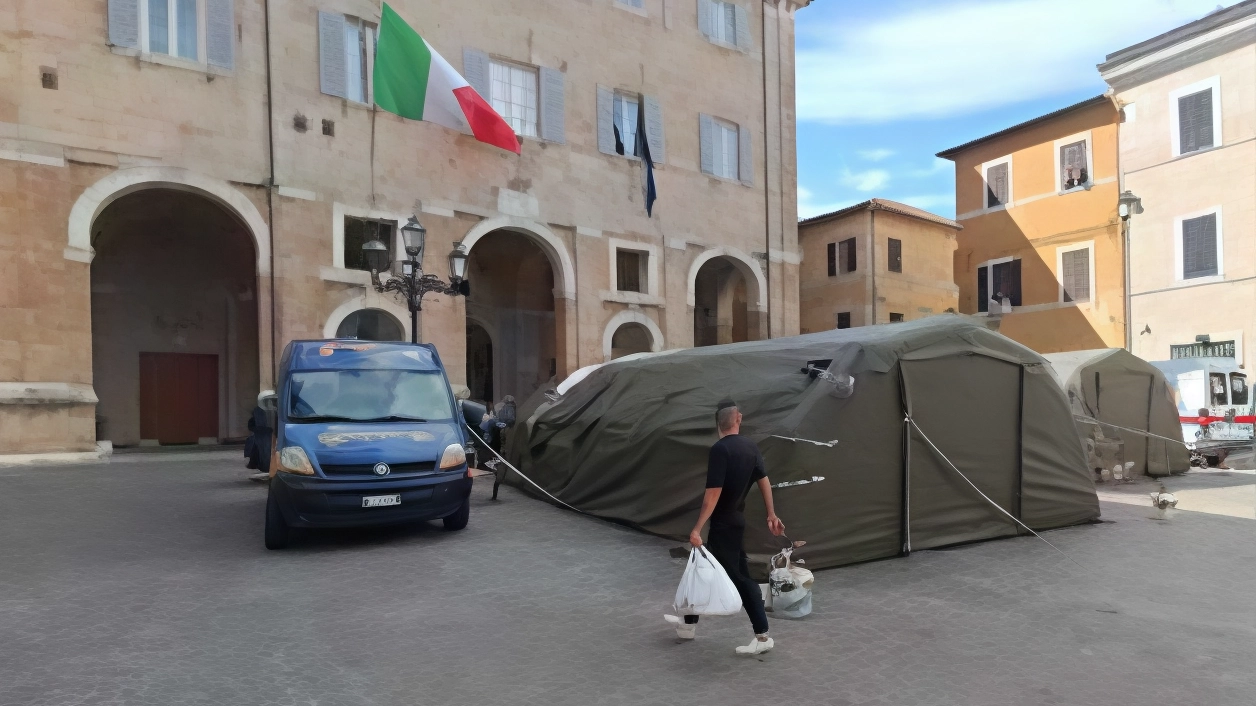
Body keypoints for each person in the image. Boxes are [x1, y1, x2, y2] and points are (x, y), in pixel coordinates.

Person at [666, 399, 785, 655]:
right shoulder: (751, 447)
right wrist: (771, 514)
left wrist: (698, 527)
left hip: (723, 524)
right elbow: (764, 480)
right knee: (704, 569)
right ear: (738, 419)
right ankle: (688, 623)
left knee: (737, 578)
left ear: (717, 423)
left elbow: (713, 493)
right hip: (735, 522)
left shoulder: (720, 450)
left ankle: (763, 637)